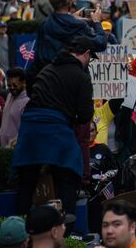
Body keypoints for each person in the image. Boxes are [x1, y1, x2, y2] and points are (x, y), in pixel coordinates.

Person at [12, 36, 96, 217]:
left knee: (26, 181)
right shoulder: (81, 76)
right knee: (69, 173)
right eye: (90, 58)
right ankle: (67, 229)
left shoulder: (48, 68)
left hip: (30, 126)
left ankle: (20, 224)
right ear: (87, 54)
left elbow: (31, 87)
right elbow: (85, 116)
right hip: (56, 127)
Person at [0, 68, 30, 147]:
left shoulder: (28, 102)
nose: (12, 88)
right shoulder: (9, 95)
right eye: (9, 85)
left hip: (17, 148)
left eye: (15, 85)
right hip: (3, 148)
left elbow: (26, 130)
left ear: (23, 83)